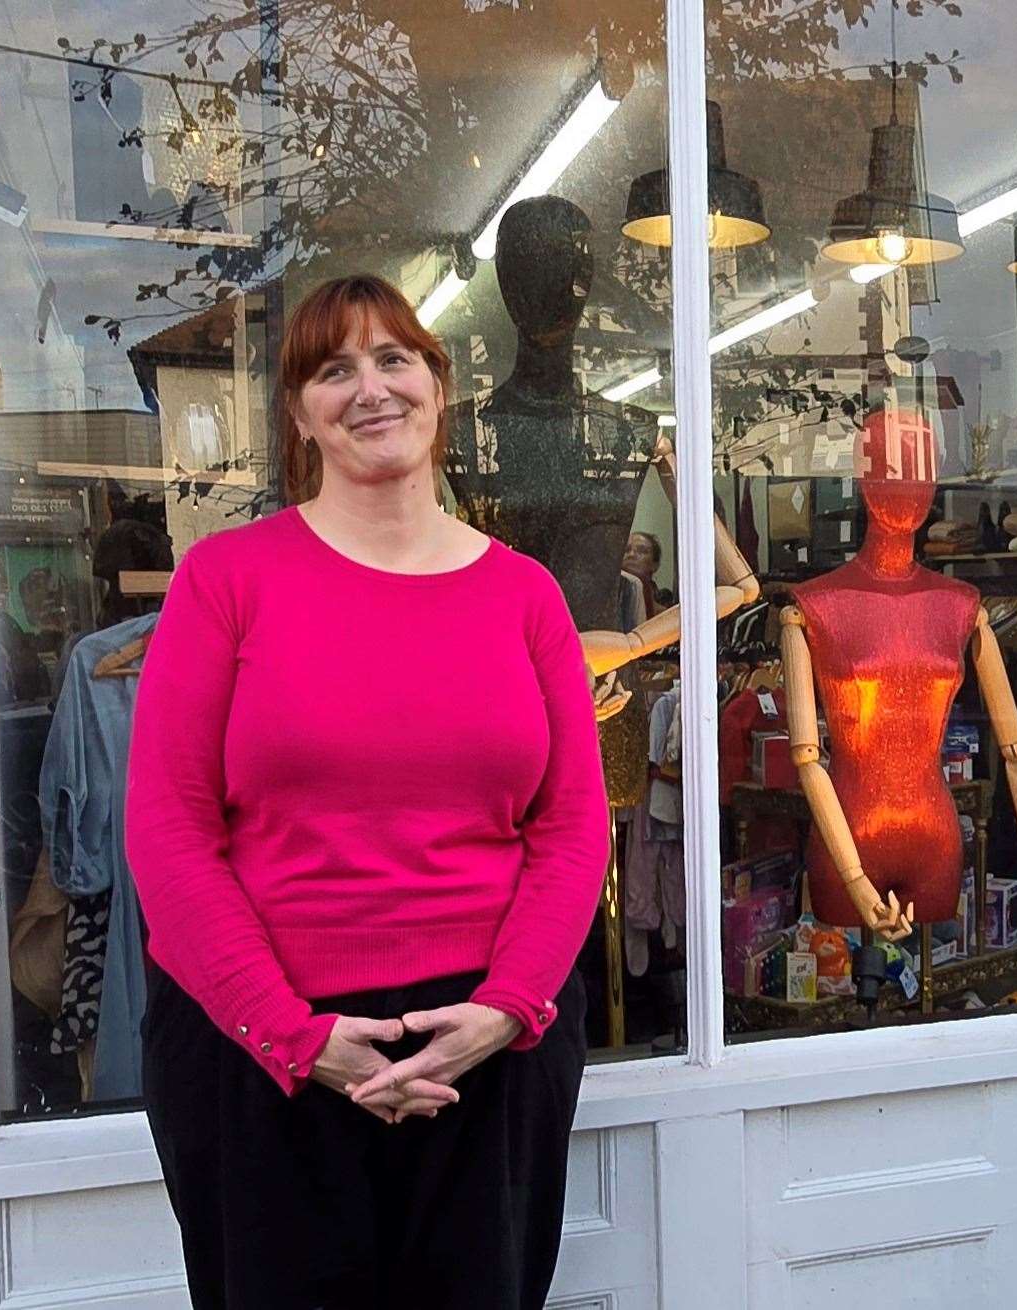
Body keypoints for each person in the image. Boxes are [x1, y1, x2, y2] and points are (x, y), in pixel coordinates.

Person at [124, 274, 609, 1310]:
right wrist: (291, 1034)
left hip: (489, 1047)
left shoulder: (525, 595)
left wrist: (508, 1007)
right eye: (332, 369)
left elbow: (572, 830)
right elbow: (169, 832)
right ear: (299, 413)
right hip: (259, 1054)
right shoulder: (227, 581)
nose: (369, 387)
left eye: (394, 358)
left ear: (437, 387)